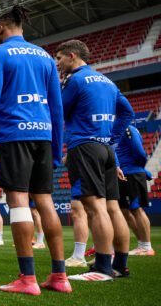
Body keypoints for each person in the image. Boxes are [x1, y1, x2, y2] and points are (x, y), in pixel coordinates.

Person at [0, 5, 69, 295]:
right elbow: (57, 108)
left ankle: (27, 278)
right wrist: (56, 147)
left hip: (14, 135)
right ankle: (59, 276)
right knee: (46, 201)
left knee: (18, 201)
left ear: (1, 27)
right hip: (44, 135)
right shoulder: (46, 57)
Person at [55, 39, 134, 282]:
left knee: (96, 207)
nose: (57, 63)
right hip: (106, 149)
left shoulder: (75, 80)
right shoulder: (107, 81)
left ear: (71, 56)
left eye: (59, 58)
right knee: (112, 207)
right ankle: (119, 265)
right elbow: (127, 113)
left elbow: (59, 112)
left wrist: (58, 88)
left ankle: (102, 268)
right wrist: (111, 139)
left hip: (85, 147)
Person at [115, 125, 155, 256]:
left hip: (132, 173)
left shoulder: (127, 129)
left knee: (136, 209)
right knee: (125, 211)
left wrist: (140, 169)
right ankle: (141, 244)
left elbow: (139, 152)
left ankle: (146, 246)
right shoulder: (116, 130)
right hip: (123, 174)